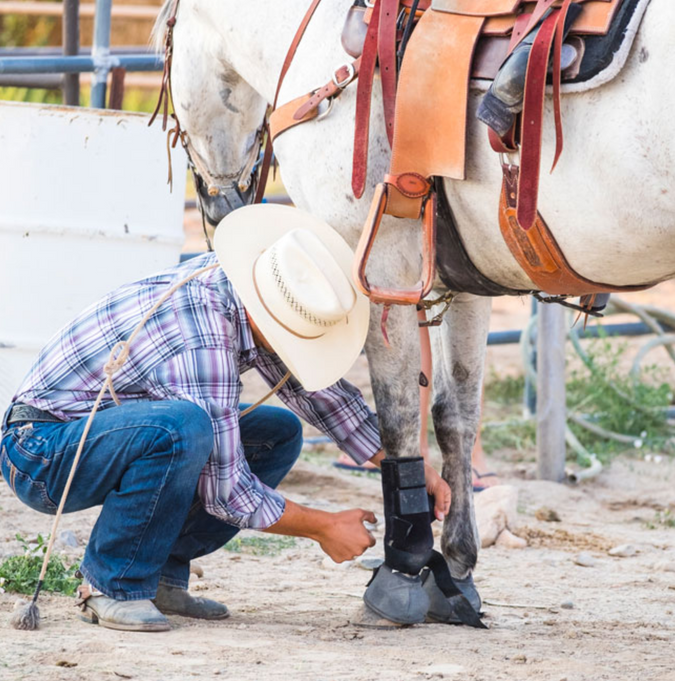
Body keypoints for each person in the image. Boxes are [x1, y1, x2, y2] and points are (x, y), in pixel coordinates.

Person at [0, 205, 450, 632]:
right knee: (182, 429)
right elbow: (227, 490)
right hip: (42, 450)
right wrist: (322, 526)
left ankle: (158, 574)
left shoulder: (246, 293)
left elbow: (327, 401)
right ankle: (111, 584)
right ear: (275, 318)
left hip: (97, 432)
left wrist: (408, 467)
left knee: (276, 433)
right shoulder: (202, 335)